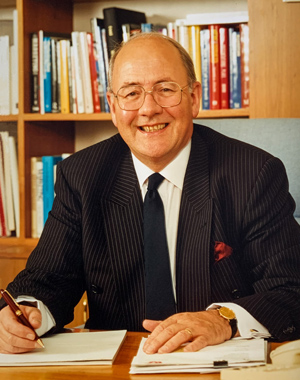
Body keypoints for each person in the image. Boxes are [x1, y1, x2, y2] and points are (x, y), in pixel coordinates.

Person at [1, 33, 300, 355]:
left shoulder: (253, 173)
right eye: (131, 93)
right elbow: (47, 279)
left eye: (166, 90)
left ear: (194, 97)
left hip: (217, 356)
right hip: (117, 362)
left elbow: (290, 289)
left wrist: (222, 319)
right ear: (114, 107)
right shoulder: (82, 175)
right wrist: (26, 313)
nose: (148, 109)